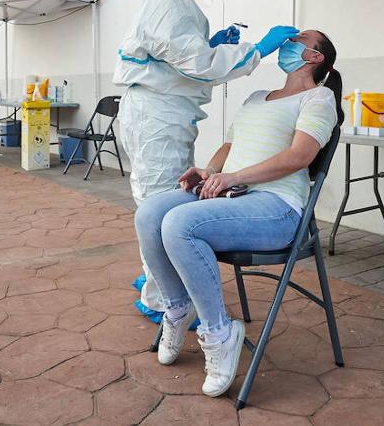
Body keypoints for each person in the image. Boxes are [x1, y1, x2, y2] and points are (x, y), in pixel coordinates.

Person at [135, 28, 341, 397]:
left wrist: (234, 177)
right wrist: (210, 172)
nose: (287, 44)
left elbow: (300, 157)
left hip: (276, 207)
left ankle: (219, 332)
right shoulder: (256, 97)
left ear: (315, 57)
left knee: (180, 224)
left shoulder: (319, 98)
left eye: (297, 41)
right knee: (150, 214)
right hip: (232, 195)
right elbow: (230, 146)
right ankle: (178, 309)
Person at [114, 0, 298, 320]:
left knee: (158, 194)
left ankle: (156, 274)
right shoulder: (169, 2)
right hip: (158, 115)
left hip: (160, 113)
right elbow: (198, 64)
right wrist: (257, 48)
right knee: (158, 201)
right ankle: (162, 297)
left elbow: (181, 57)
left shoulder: (175, 1)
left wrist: (213, 44)